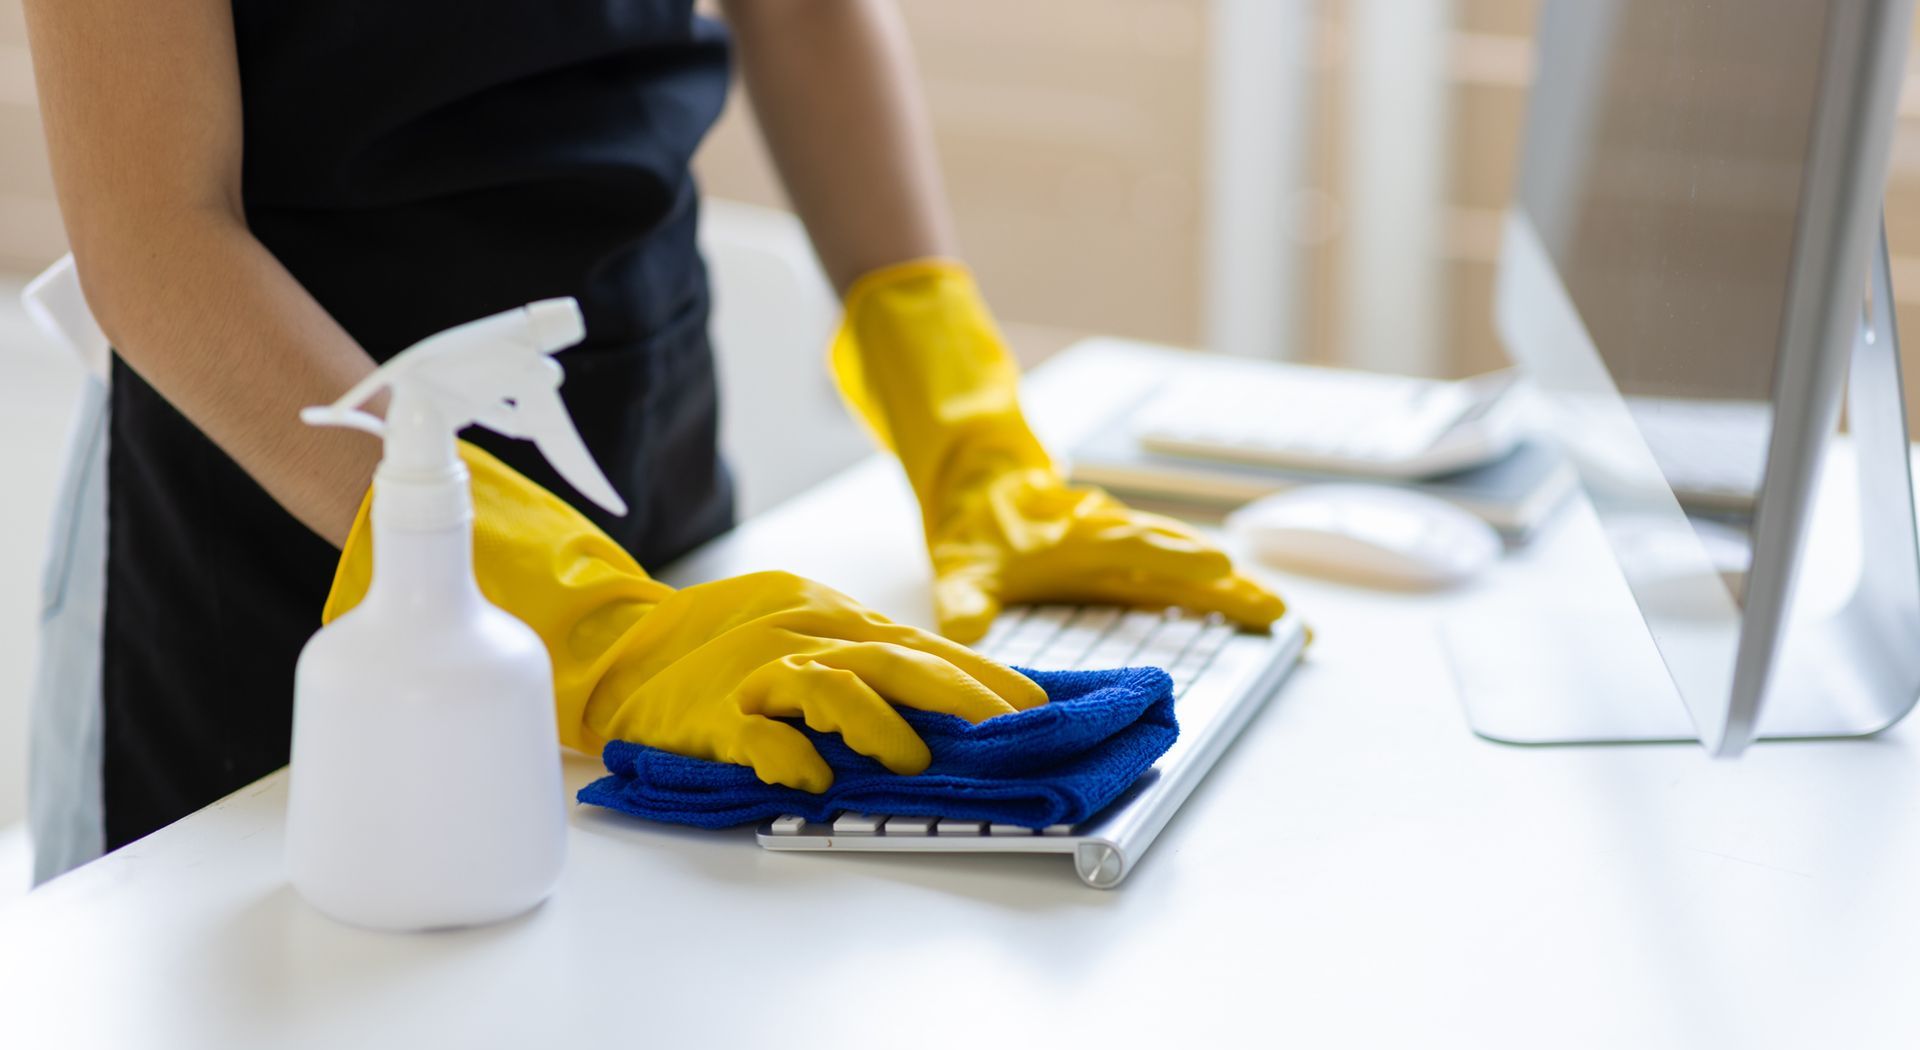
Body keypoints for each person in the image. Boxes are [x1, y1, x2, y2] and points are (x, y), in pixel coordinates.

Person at [21, 0, 1287, 882]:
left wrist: (965, 427)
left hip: (637, 433)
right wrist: (582, 621)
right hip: (280, 525)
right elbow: (156, 232)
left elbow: (799, 11)